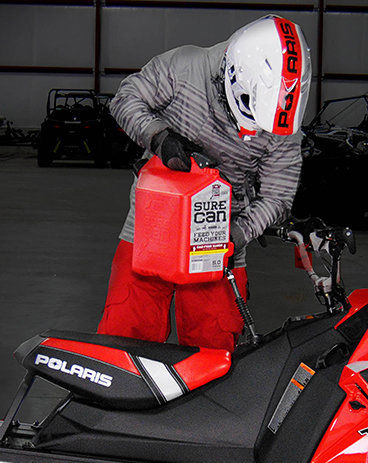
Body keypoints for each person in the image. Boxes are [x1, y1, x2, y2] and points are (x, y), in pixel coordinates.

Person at [97, 15, 311, 353]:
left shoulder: (283, 120)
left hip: (219, 246)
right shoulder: (184, 67)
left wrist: (236, 235)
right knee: (125, 342)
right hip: (149, 232)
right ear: (234, 73)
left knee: (213, 352)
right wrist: (159, 137)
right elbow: (125, 99)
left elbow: (278, 196)